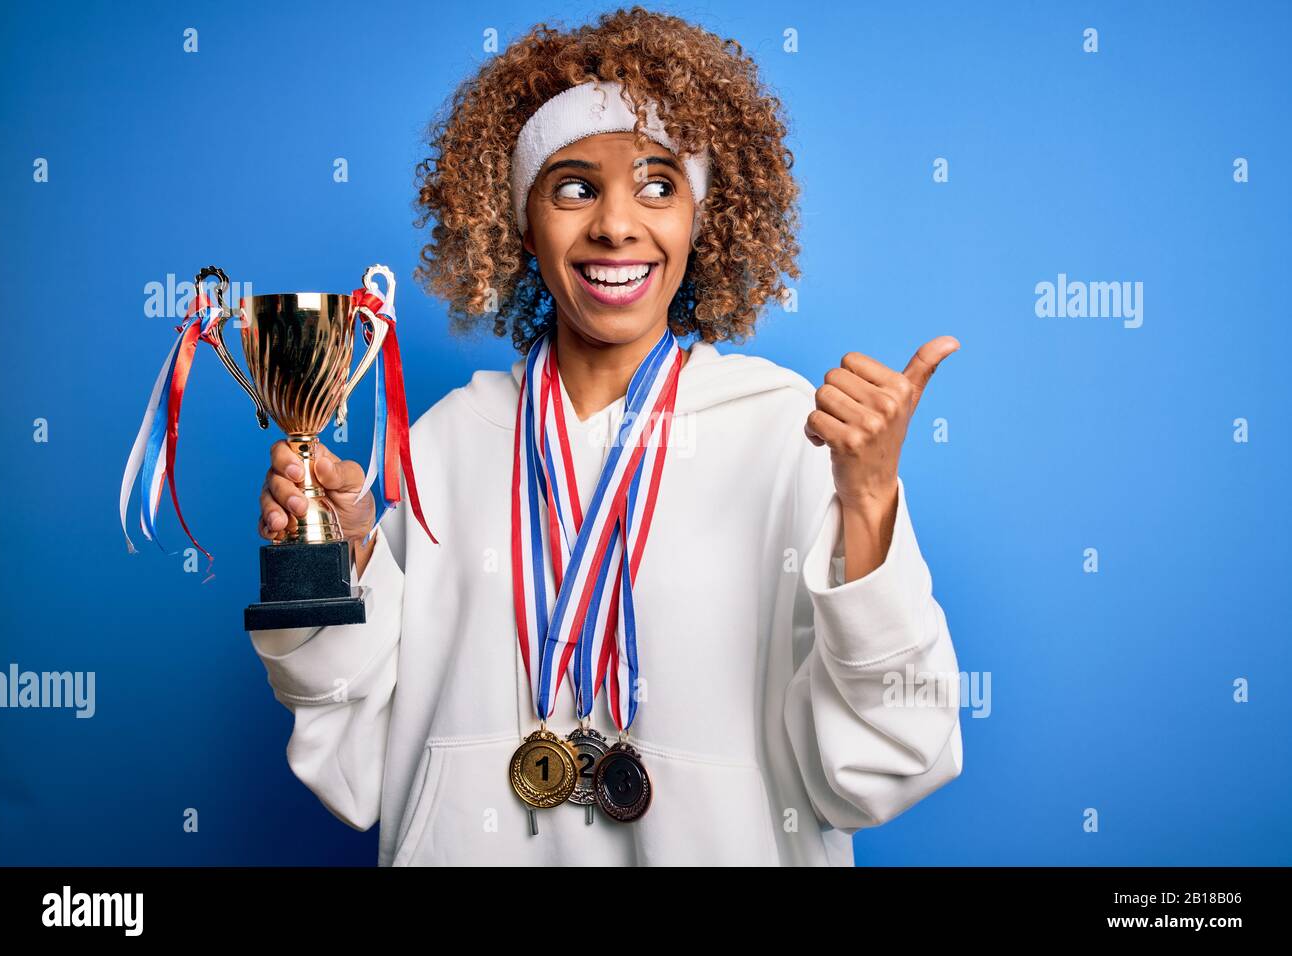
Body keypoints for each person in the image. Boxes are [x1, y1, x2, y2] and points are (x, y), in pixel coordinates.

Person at [248, 7, 963, 866]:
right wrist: (344, 559)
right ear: (520, 223)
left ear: (703, 220)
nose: (617, 225)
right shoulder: (441, 442)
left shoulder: (791, 435)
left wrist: (871, 500)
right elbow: (354, 754)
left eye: (659, 185)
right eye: (575, 186)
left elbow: (887, 762)